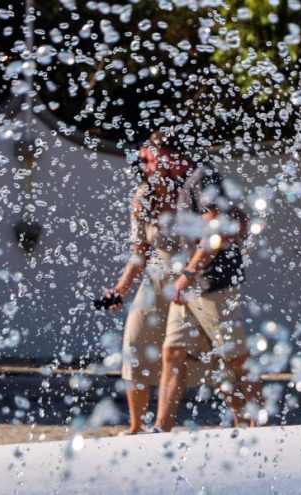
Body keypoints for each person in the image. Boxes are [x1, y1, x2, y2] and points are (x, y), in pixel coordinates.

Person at [142, 131, 263, 432]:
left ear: (167, 155)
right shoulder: (187, 181)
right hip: (194, 284)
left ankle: (259, 425)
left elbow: (214, 232)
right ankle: (161, 427)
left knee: (234, 358)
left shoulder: (202, 178)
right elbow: (237, 219)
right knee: (173, 352)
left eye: (150, 158)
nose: (147, 164)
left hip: (212, 283)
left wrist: (187, 274)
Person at [103, 134, 211, 434]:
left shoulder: (192, 192)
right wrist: (119, 291)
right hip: (154, 284)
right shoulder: (143, 198)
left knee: (184, 357)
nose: (145, 165)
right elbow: (139, 254)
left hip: (191, 285)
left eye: (150, 158)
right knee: (135, 348)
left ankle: (166, 427)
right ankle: (136, 427)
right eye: (144, 159)